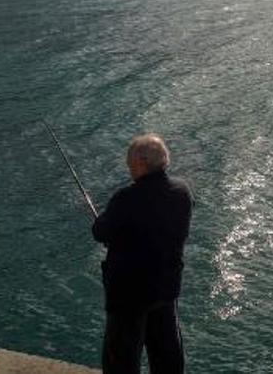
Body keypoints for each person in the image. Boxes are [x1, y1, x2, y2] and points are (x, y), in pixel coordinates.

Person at [92, 133, 193, 374]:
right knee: (167, 352)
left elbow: (100, 231)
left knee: (122, 357)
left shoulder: (126, 198)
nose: (128, 168)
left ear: (140, 163)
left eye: (130, 163)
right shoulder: (182, 192)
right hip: (166, 287)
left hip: (129, 293)